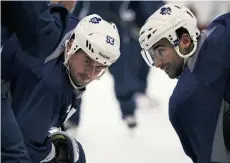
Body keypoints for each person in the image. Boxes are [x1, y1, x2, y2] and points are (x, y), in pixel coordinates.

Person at [2, 1, 121, 162]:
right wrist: (54, 152)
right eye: (87, 61)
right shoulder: (51, 85)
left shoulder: (70, 29)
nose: (91, 73)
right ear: (71, 45)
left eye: (99, 67)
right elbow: (27, 146)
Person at [139, 3, 230, 163]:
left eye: (160, 51)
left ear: (185, 40)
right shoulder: (222, 26)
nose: (158, 63)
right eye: (152, 56)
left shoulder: (185, 100)